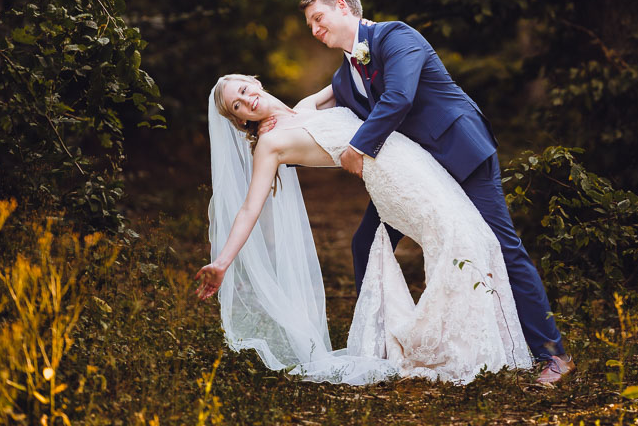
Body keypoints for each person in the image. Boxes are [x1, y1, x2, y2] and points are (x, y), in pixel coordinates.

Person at [292, 0, 575, 386]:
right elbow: (318, 106)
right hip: (418, 174)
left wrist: (359, 146)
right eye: (310, 27)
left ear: (342, 6)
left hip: (460, 152)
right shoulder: (344, 76)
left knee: (502, 245)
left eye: (318, 19)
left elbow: (399, 97)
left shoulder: (395, 35)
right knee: (366, 242)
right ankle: (380, 346)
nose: (316, 31)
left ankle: (554, 355)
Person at [195, 73, 531, 384]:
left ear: (255, 82)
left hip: (411, 156)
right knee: (461, 238)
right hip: (393, 179)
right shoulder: (270, 144)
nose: (246, 100)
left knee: (471, 234)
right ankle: (463, 348)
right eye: (236, 106)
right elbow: (250, 208)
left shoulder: (305, 107)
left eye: (243, 90)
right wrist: (222, 262)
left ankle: (481, 339)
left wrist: (364, 35)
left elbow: (347, 75)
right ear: (240, 120)